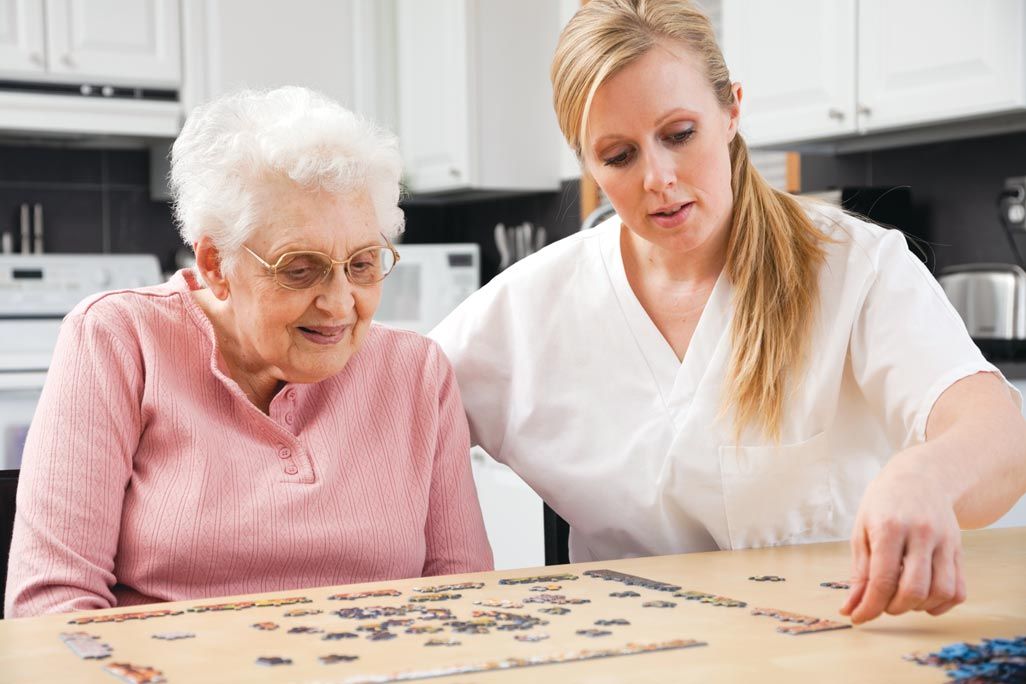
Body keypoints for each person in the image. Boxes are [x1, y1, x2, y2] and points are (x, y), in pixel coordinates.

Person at [430, 0, 1026, 625]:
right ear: (587, 163)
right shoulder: (529, 306)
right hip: (628, 657)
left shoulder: (857, 267)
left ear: (732, 109)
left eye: (679, 135)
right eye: (618, 155)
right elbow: (388, 403)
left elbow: (1001, 438)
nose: (658, 177)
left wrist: (927, 476)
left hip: (833, 652)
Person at [6, 86, 492, 617]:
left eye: (362, 263)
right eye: (299, 268)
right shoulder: (117, 338)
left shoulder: (417, 372)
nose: (338, 304)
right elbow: (51, 607)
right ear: (216, 264)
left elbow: (463, 599)